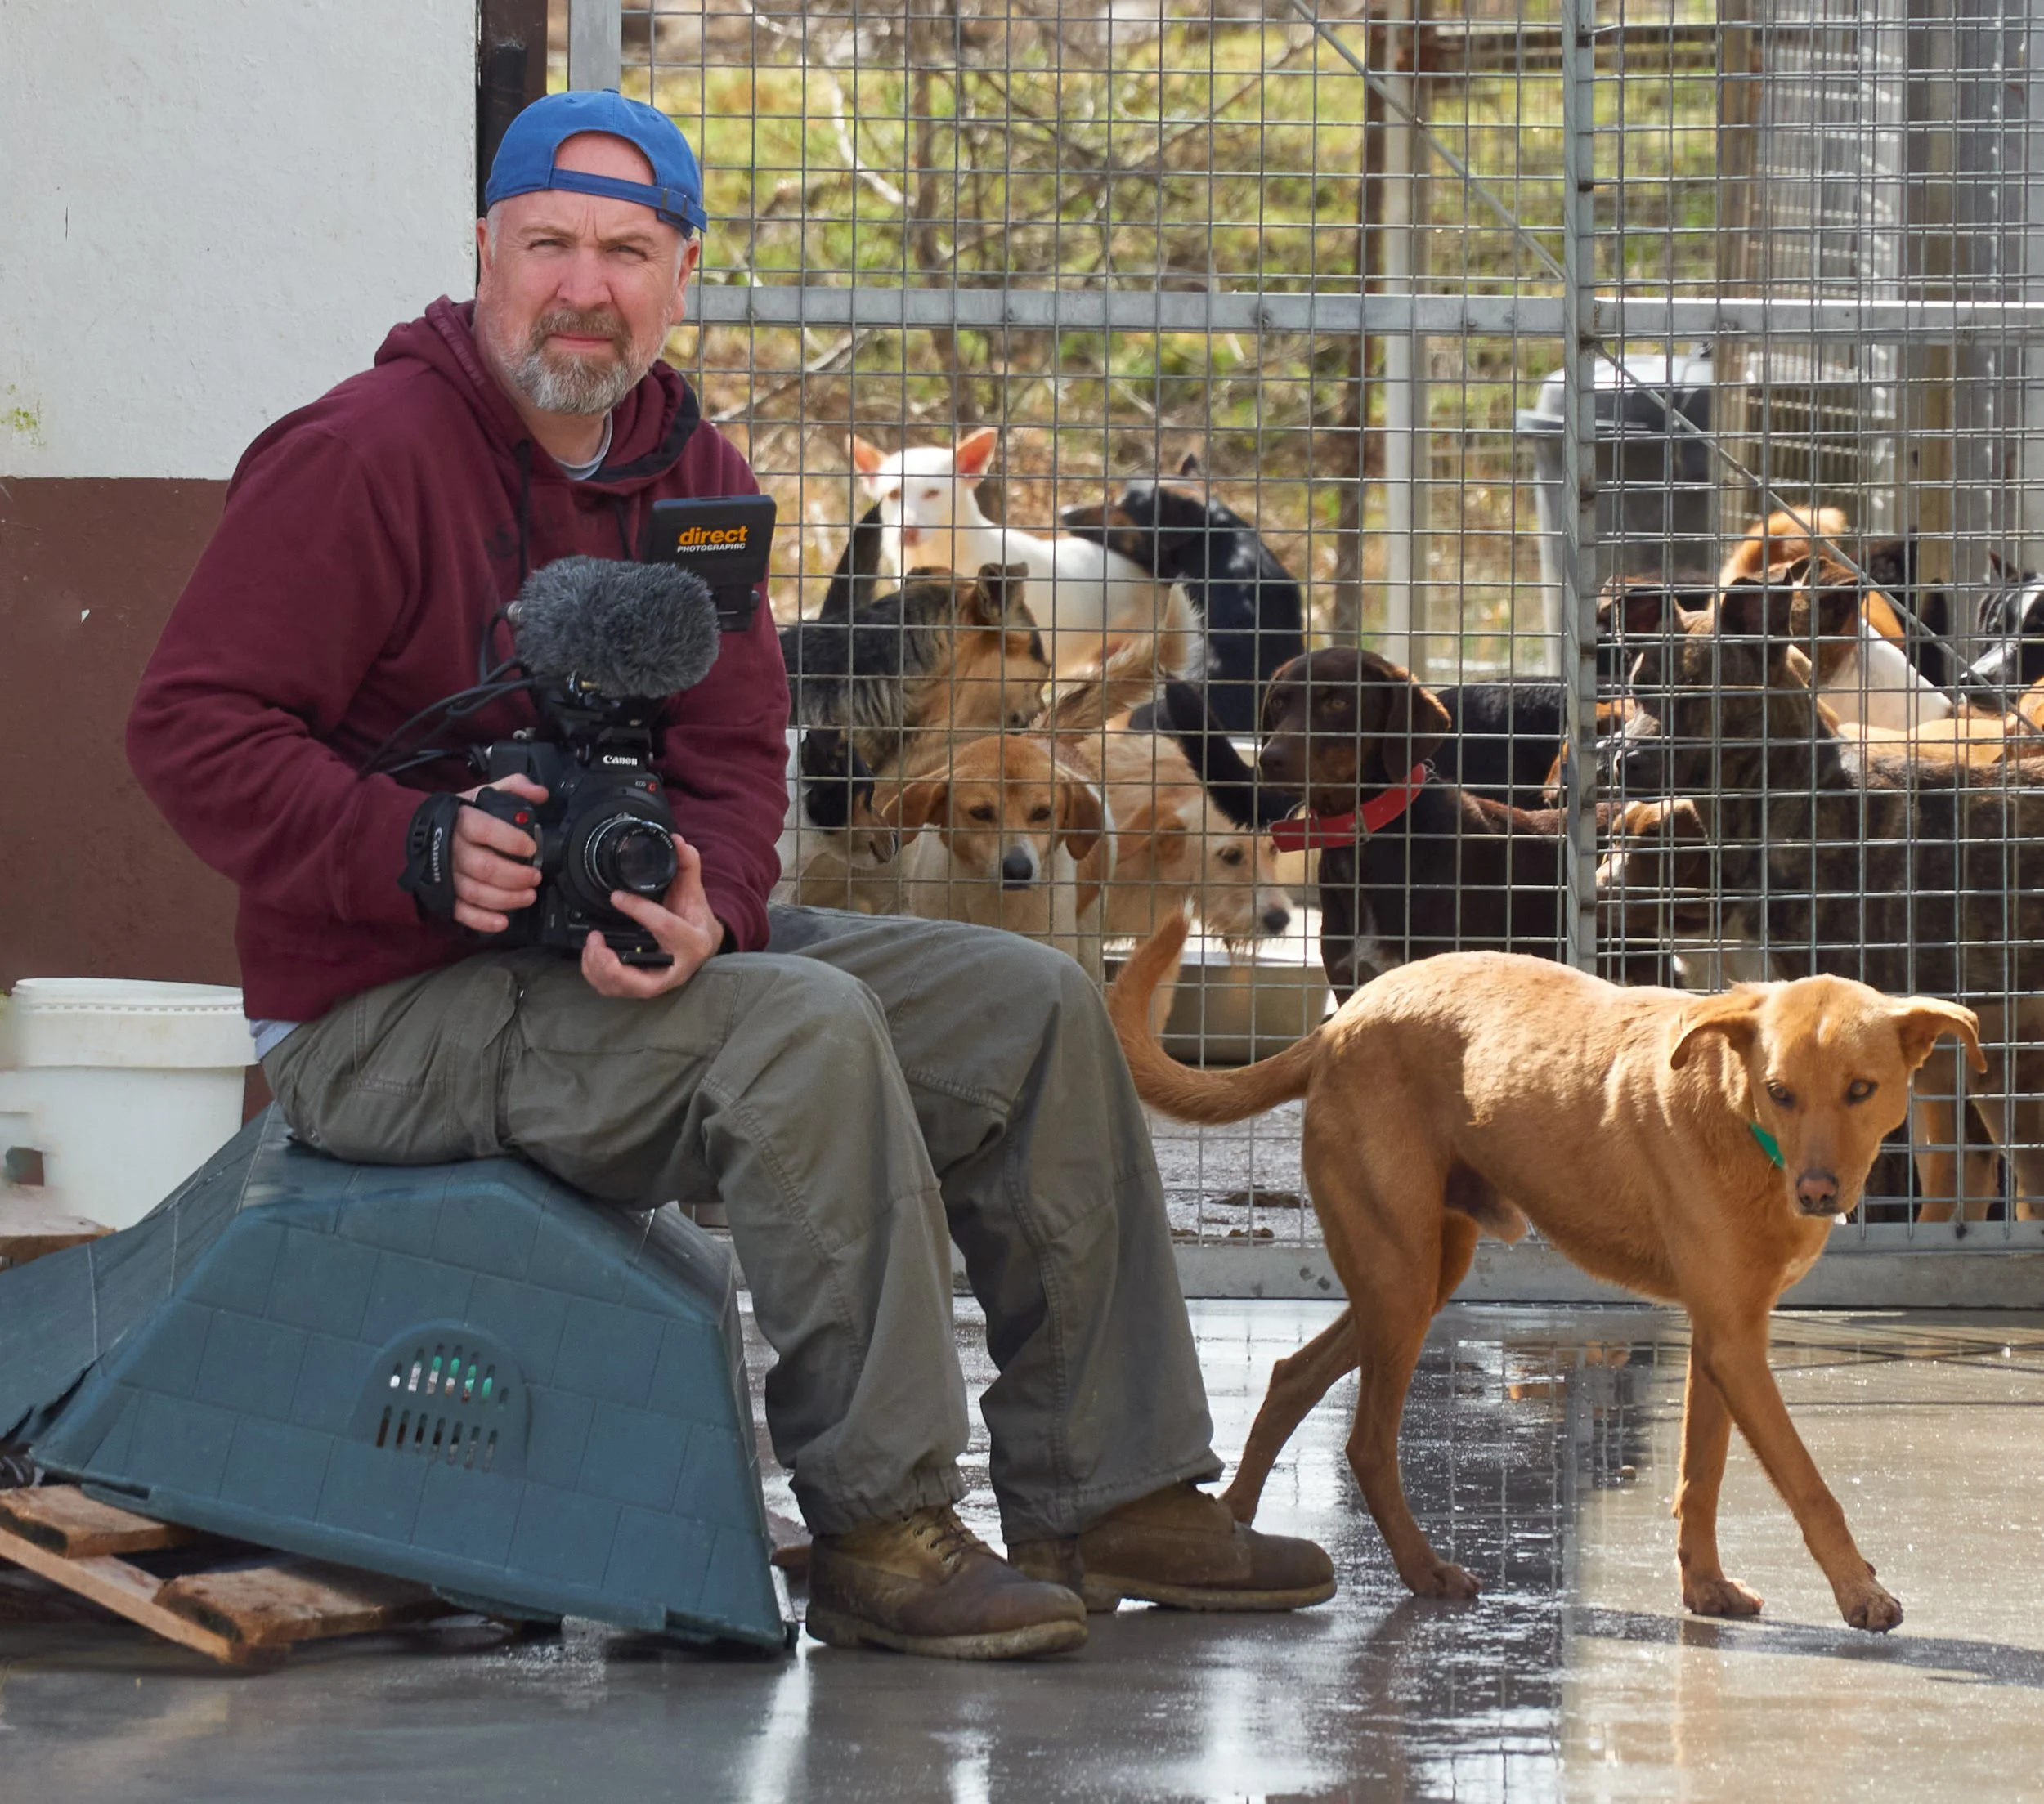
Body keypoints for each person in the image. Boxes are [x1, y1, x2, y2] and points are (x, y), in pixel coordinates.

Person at [127, 89, 1332, 1660]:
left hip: (605, 955)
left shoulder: (693, 467)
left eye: (626, 250)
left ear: (681, 271)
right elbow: (187, 726)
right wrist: (411, 844)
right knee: (803, 1029)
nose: (584, 285)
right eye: (547, 242)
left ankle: (1108, 1487)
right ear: (485, 252)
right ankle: (884, 1525)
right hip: (384, 1005)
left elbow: (736, 749)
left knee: (1029, 1000)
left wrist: (722, 904)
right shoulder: (361, 457)